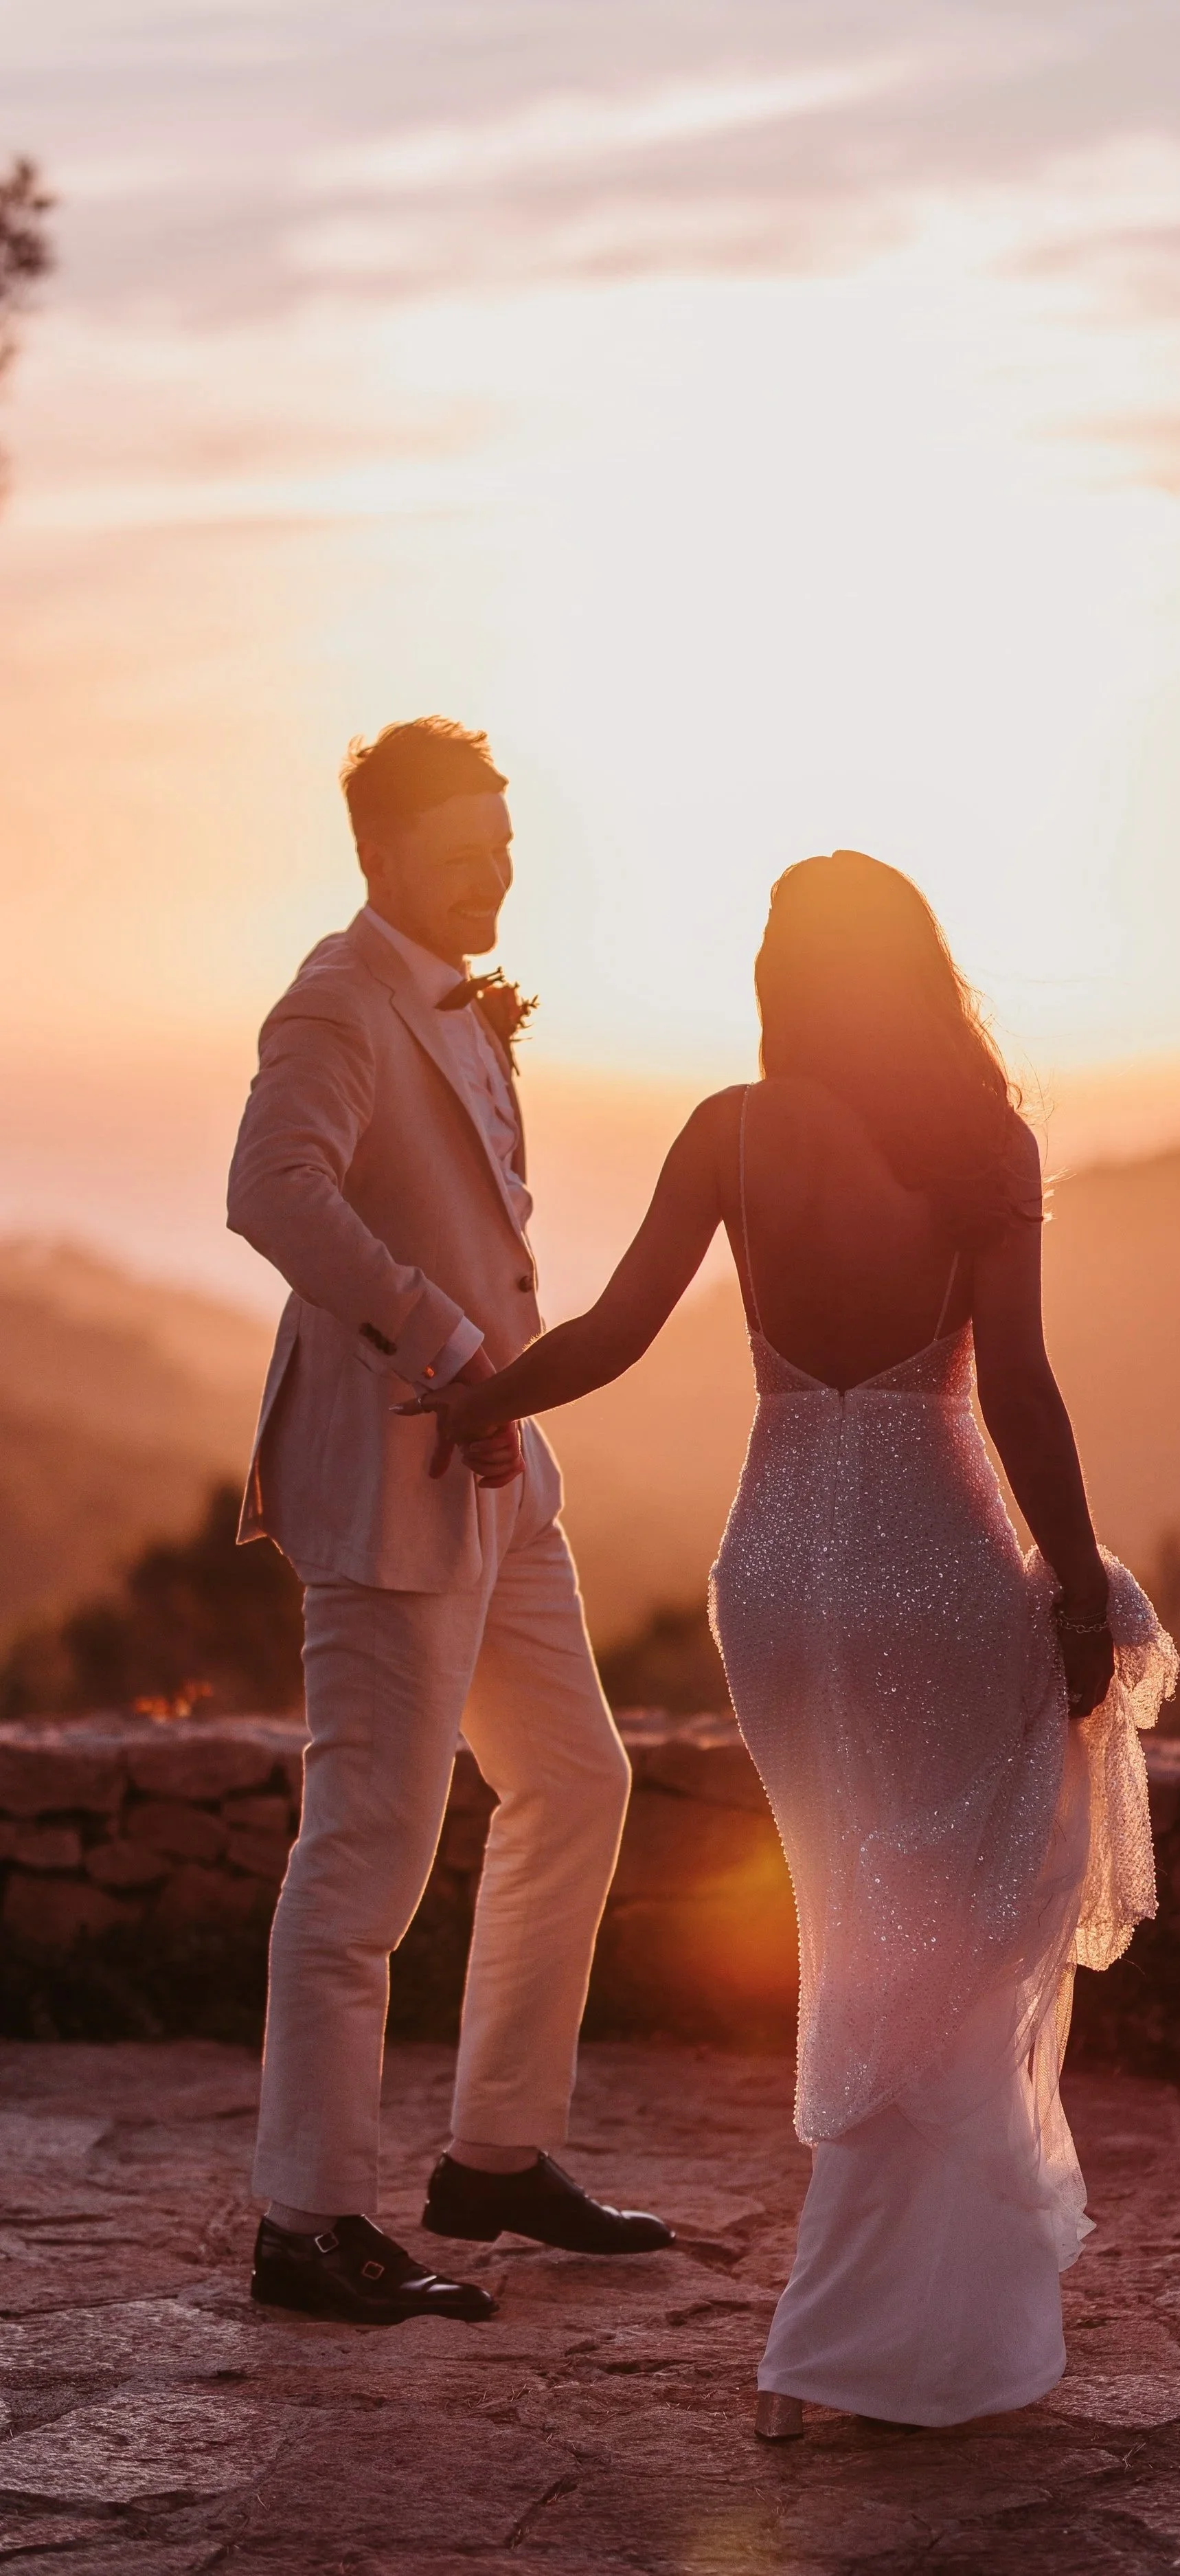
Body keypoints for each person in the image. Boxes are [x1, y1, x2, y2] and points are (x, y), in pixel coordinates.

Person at [408, 850, 1174, 2428]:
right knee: (958, 1938)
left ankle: (886, 2328)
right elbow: (1016, 1386)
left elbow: (617, 1330)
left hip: (773, 1586)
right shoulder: (979, 1145)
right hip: (931, 1567)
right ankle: (855, 2346)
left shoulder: (727, 1133)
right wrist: (1082, 1587)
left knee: (859, 1924)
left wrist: (483, 1398)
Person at [227, 717, 672, 2327]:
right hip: (386, 1475)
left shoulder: (462, 1003)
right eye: (475, 839)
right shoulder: (338, 997)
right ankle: (308, 2218)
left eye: (505, 834)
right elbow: (272, 1190)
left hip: (498, 1474)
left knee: (575, 1774)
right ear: (392, 849)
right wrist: (441, 1341)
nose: (502, 862)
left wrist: (500, 1400)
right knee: (363, 1861)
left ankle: (494, 2154)